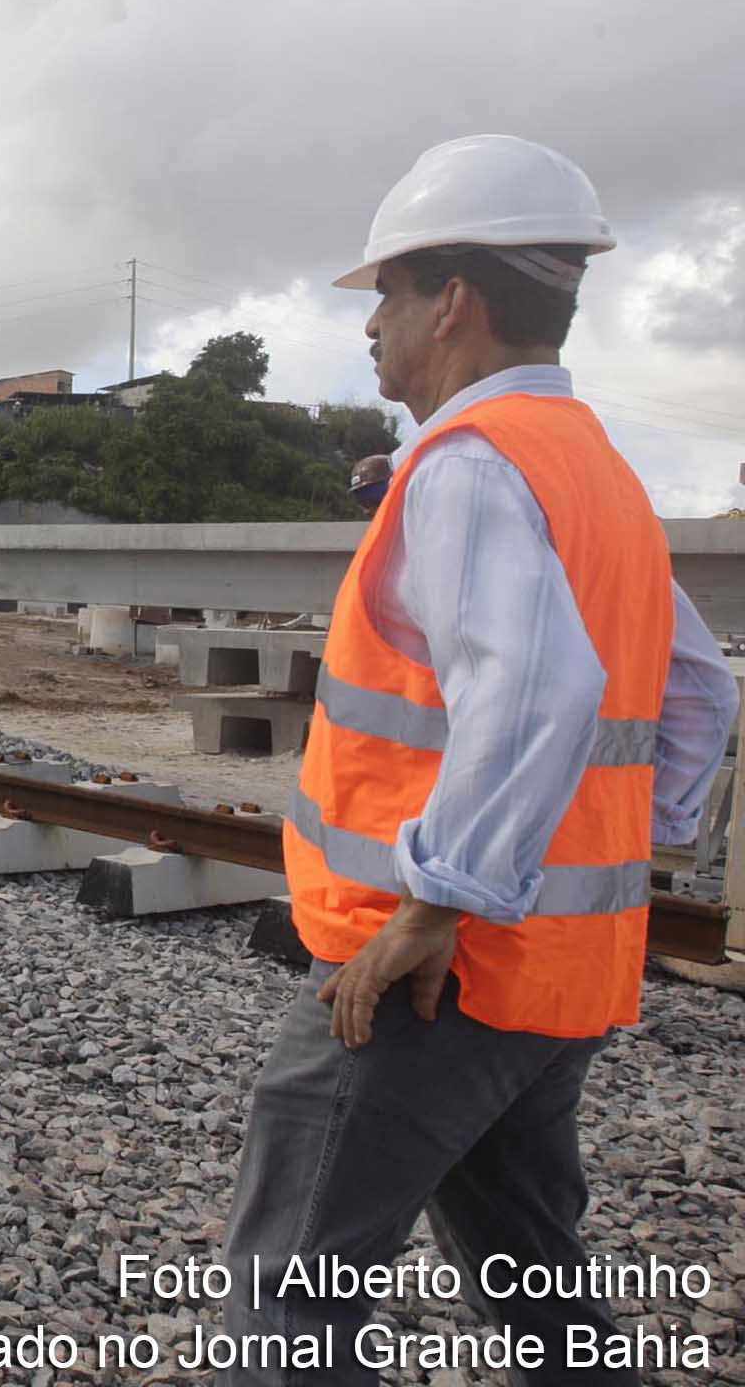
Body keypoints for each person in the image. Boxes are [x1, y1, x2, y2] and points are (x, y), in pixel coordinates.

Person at [218, 135, 737, 1382]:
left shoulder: (468, 466)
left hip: (433, 972)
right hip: (563, 967)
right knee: (535, 1278)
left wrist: (439, 901)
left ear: (452, 301)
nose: (372, 324)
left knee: (288, 1295)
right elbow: (698, 692)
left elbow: (540, 690)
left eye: (389, 292)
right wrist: (611, 846)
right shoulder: (596, 469)